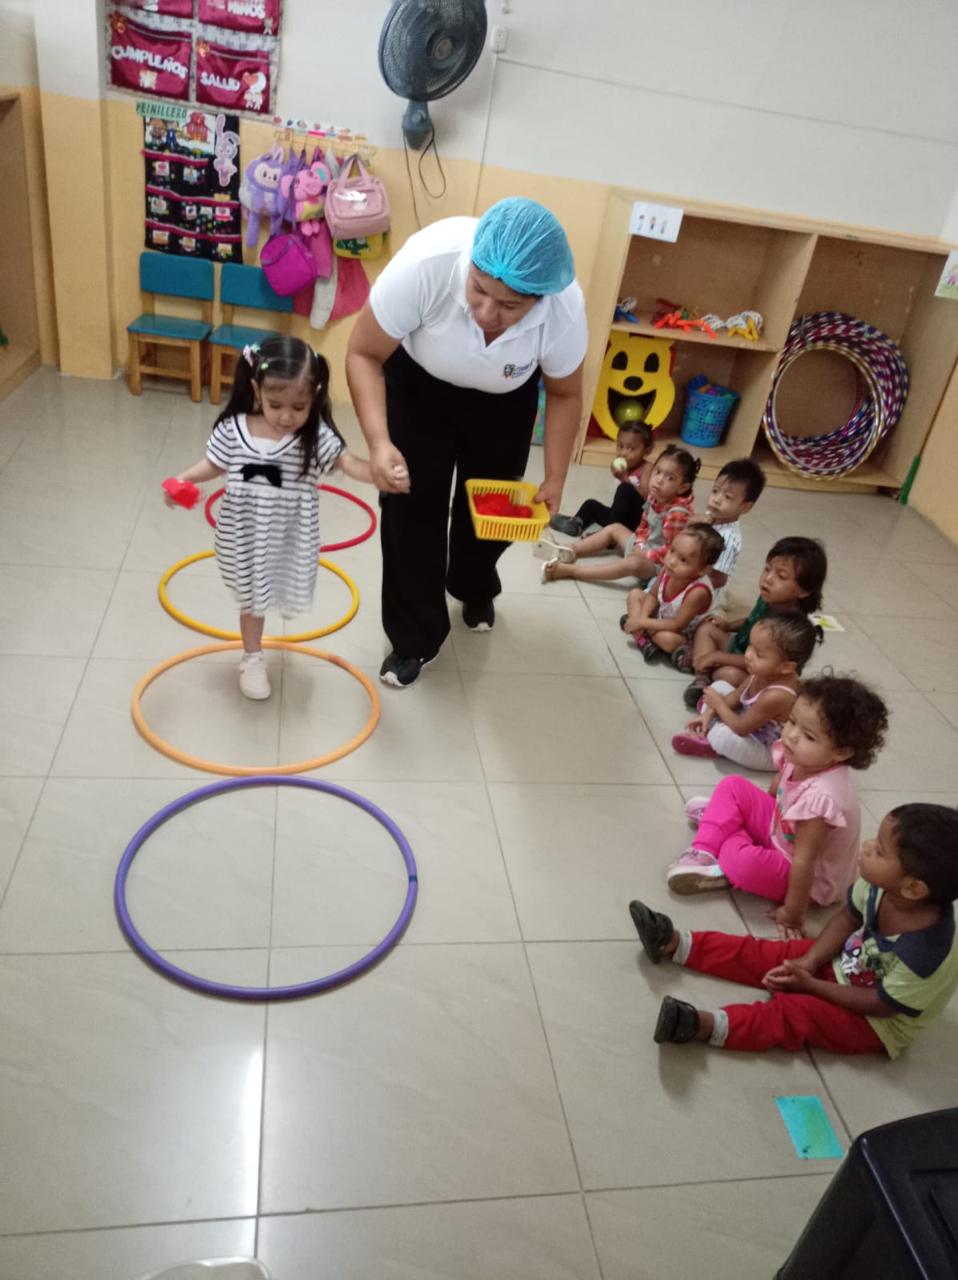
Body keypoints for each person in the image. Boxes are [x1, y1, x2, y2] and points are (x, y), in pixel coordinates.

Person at [345, 197, 588, 688]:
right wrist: (379, 442)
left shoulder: (564, 309)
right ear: (470, 266)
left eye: (510, 306)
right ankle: (414, 636)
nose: (486, 312)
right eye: (478, 290)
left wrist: (556, 476)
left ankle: (474, 586)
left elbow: (565, 393)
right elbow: (363, 353)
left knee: (494, 511)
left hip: (504, 402)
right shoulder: (426, 265)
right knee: (411, 507)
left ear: (539, 299)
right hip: (417, 388)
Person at [629, 803, 958, 1055]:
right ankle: (673, 943)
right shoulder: (879, 885)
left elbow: (881, 1004)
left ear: (913, 889)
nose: (868, 846)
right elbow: (847, 919)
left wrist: (812, 986)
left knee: (796, 1014)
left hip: (877, 1022)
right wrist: (810, 962)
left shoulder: (928, 952)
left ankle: (701, 1025)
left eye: (881, 851)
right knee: (774, 952)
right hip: (845, 964)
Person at [166, 337, 383, 700]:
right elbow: (214, 464)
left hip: (288, 539)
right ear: (257, 391)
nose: (286, 417)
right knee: (253, 601)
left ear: (314, 395)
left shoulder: (315, 437)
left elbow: (348, 464)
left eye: (299, 406)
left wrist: (379, 472)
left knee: (275, 593)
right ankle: (252, 658)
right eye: (275, 404)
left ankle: (255, 649)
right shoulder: (233, 429)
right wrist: (183, 480)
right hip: (244, 537)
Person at [668, 675, 890, 939]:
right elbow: (776, 790)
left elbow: (804, 863)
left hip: (808, 880)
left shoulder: (822, 800)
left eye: (808, 736)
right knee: (732, 785)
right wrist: (755, 811)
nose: (792, 736)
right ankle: (704, 850)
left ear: (841, 752)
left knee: (744, 863)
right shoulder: (804, 757)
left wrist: (793, 914)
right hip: (783, 832)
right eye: (792, 722)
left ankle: (723, 827)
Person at [683, 536, 827, 708]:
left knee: (728, 675)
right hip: (743, 649)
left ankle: (704, 666)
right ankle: (702, 678)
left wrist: (717, 656)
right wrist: (729, 626)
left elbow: (764, 662)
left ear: (804, 591)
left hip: (761, 671)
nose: (768, 579)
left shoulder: (788, 624)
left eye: (781, 576)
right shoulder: (770, 597)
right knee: (707, 628)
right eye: (767, 569)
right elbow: (753, 619)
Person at [672, 611, 822, 770]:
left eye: (759, 654)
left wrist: (718, 705)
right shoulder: (760, 673)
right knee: (719, 687)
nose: (748, 655)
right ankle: (710, 725)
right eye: (750, 646)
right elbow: (736, 697)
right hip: (750, 724)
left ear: (785, 667)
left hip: (768, 750)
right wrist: (709, 713)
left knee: (723, 737)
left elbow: (741, 728)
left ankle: (713, 741)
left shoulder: (777, 695)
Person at [538, 444, 698, 585]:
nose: (659, 480)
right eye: (658, 472)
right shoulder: (656, 496)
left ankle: (572, 572)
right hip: (645, 547)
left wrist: (646, 554)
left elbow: (673, 551)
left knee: (633, 564)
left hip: (660, 564)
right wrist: (639, 543)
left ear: (683, 487)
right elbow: (644, 525)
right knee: (614, 528)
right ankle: (569, 549)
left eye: (670, 478)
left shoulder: (677, 514)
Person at [619, 522, 725, 667]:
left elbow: (676, 624)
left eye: (683, 560)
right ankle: (644, 640)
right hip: (662, 618)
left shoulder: (698, 591)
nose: (672, 561)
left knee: (666, 639)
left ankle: (643, 637)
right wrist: (642, 618)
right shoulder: (668, 569)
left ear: (703, 570)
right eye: (672, 551)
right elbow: (652, 595)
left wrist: (642, 622)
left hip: (682, 633)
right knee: (635, 594)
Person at [549, 421, 652, 538]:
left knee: (624, 489)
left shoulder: (647, 468)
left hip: (637, 521)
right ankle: (576, 524)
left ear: (647, 451)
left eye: (631, 449)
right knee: (591, 504)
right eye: (620, 446)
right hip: (619, 518)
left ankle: (608, 537)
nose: (623, 453)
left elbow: (646, 497)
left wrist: (624, 479)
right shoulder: (623, 467)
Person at [699, 458, 766, 594]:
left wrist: (690, 582)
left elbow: (719, 579)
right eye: (715, 491)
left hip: (702, 592)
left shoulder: (728, 539)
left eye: (728, 497)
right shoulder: (712, 515)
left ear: (745, 507)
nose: (716, 499)